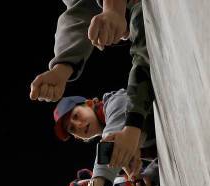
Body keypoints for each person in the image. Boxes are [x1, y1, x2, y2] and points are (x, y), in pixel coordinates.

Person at [31, 0, 153, 168]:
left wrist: (113, 9)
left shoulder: (112, 104)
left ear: (89, 103)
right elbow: (79, 8)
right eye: (72, 129)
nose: (78, 125)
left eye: (76, 116)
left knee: (140, 22)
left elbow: (118, 119)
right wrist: (62, 68)